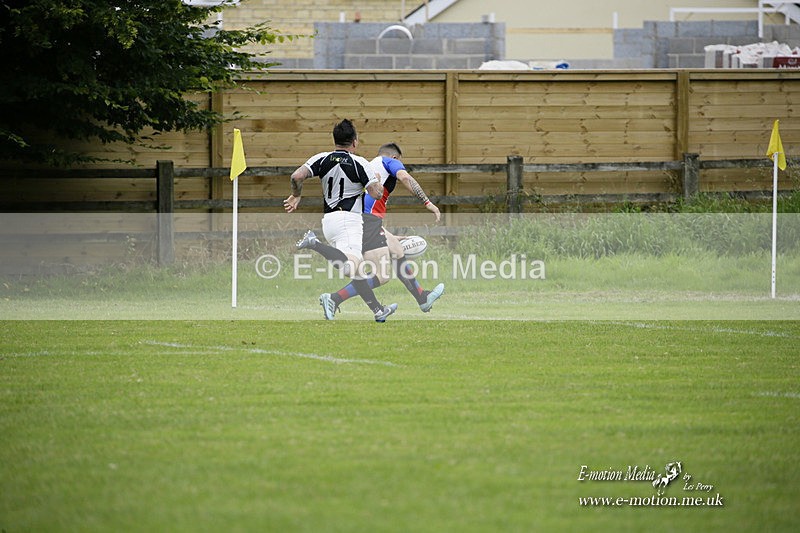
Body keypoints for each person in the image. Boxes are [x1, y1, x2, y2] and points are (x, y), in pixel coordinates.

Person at [284, 119, 397, 322]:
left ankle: (379, 311)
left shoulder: (322, 158)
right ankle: (314, 244)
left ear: (335, 140)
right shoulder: (360, 162)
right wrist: (378, 182)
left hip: (329, 221)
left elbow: (296, 176)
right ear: (354, 142)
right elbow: (377, 194)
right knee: (353, 267)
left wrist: (296, 195)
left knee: (355, 269)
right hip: (349, 220)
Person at [319, 142, 445, 320]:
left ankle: (422, 298)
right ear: (395, 157)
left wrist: (389, 235)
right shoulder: (388, 161)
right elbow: (406, 178)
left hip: (362, 220)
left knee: (396, 248)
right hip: (366, 221)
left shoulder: (370, 165)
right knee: (383, 275)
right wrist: (428, 202)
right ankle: (334, 298)